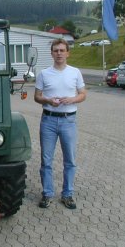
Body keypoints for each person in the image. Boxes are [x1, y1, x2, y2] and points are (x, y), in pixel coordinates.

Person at [34, 38, 87, 209]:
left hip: (68, 120)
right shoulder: (44, 73)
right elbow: (37, 96)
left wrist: (72, 99)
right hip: (48, 120)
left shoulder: (75, 72)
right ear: (51, 53)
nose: (59, 53)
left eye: (62, 50)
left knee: (70, 160)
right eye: (56, 50)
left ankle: (67, 194)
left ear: (67, 53)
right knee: (46, 160)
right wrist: (48, 100)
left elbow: (83, 94)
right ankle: (47, 194)